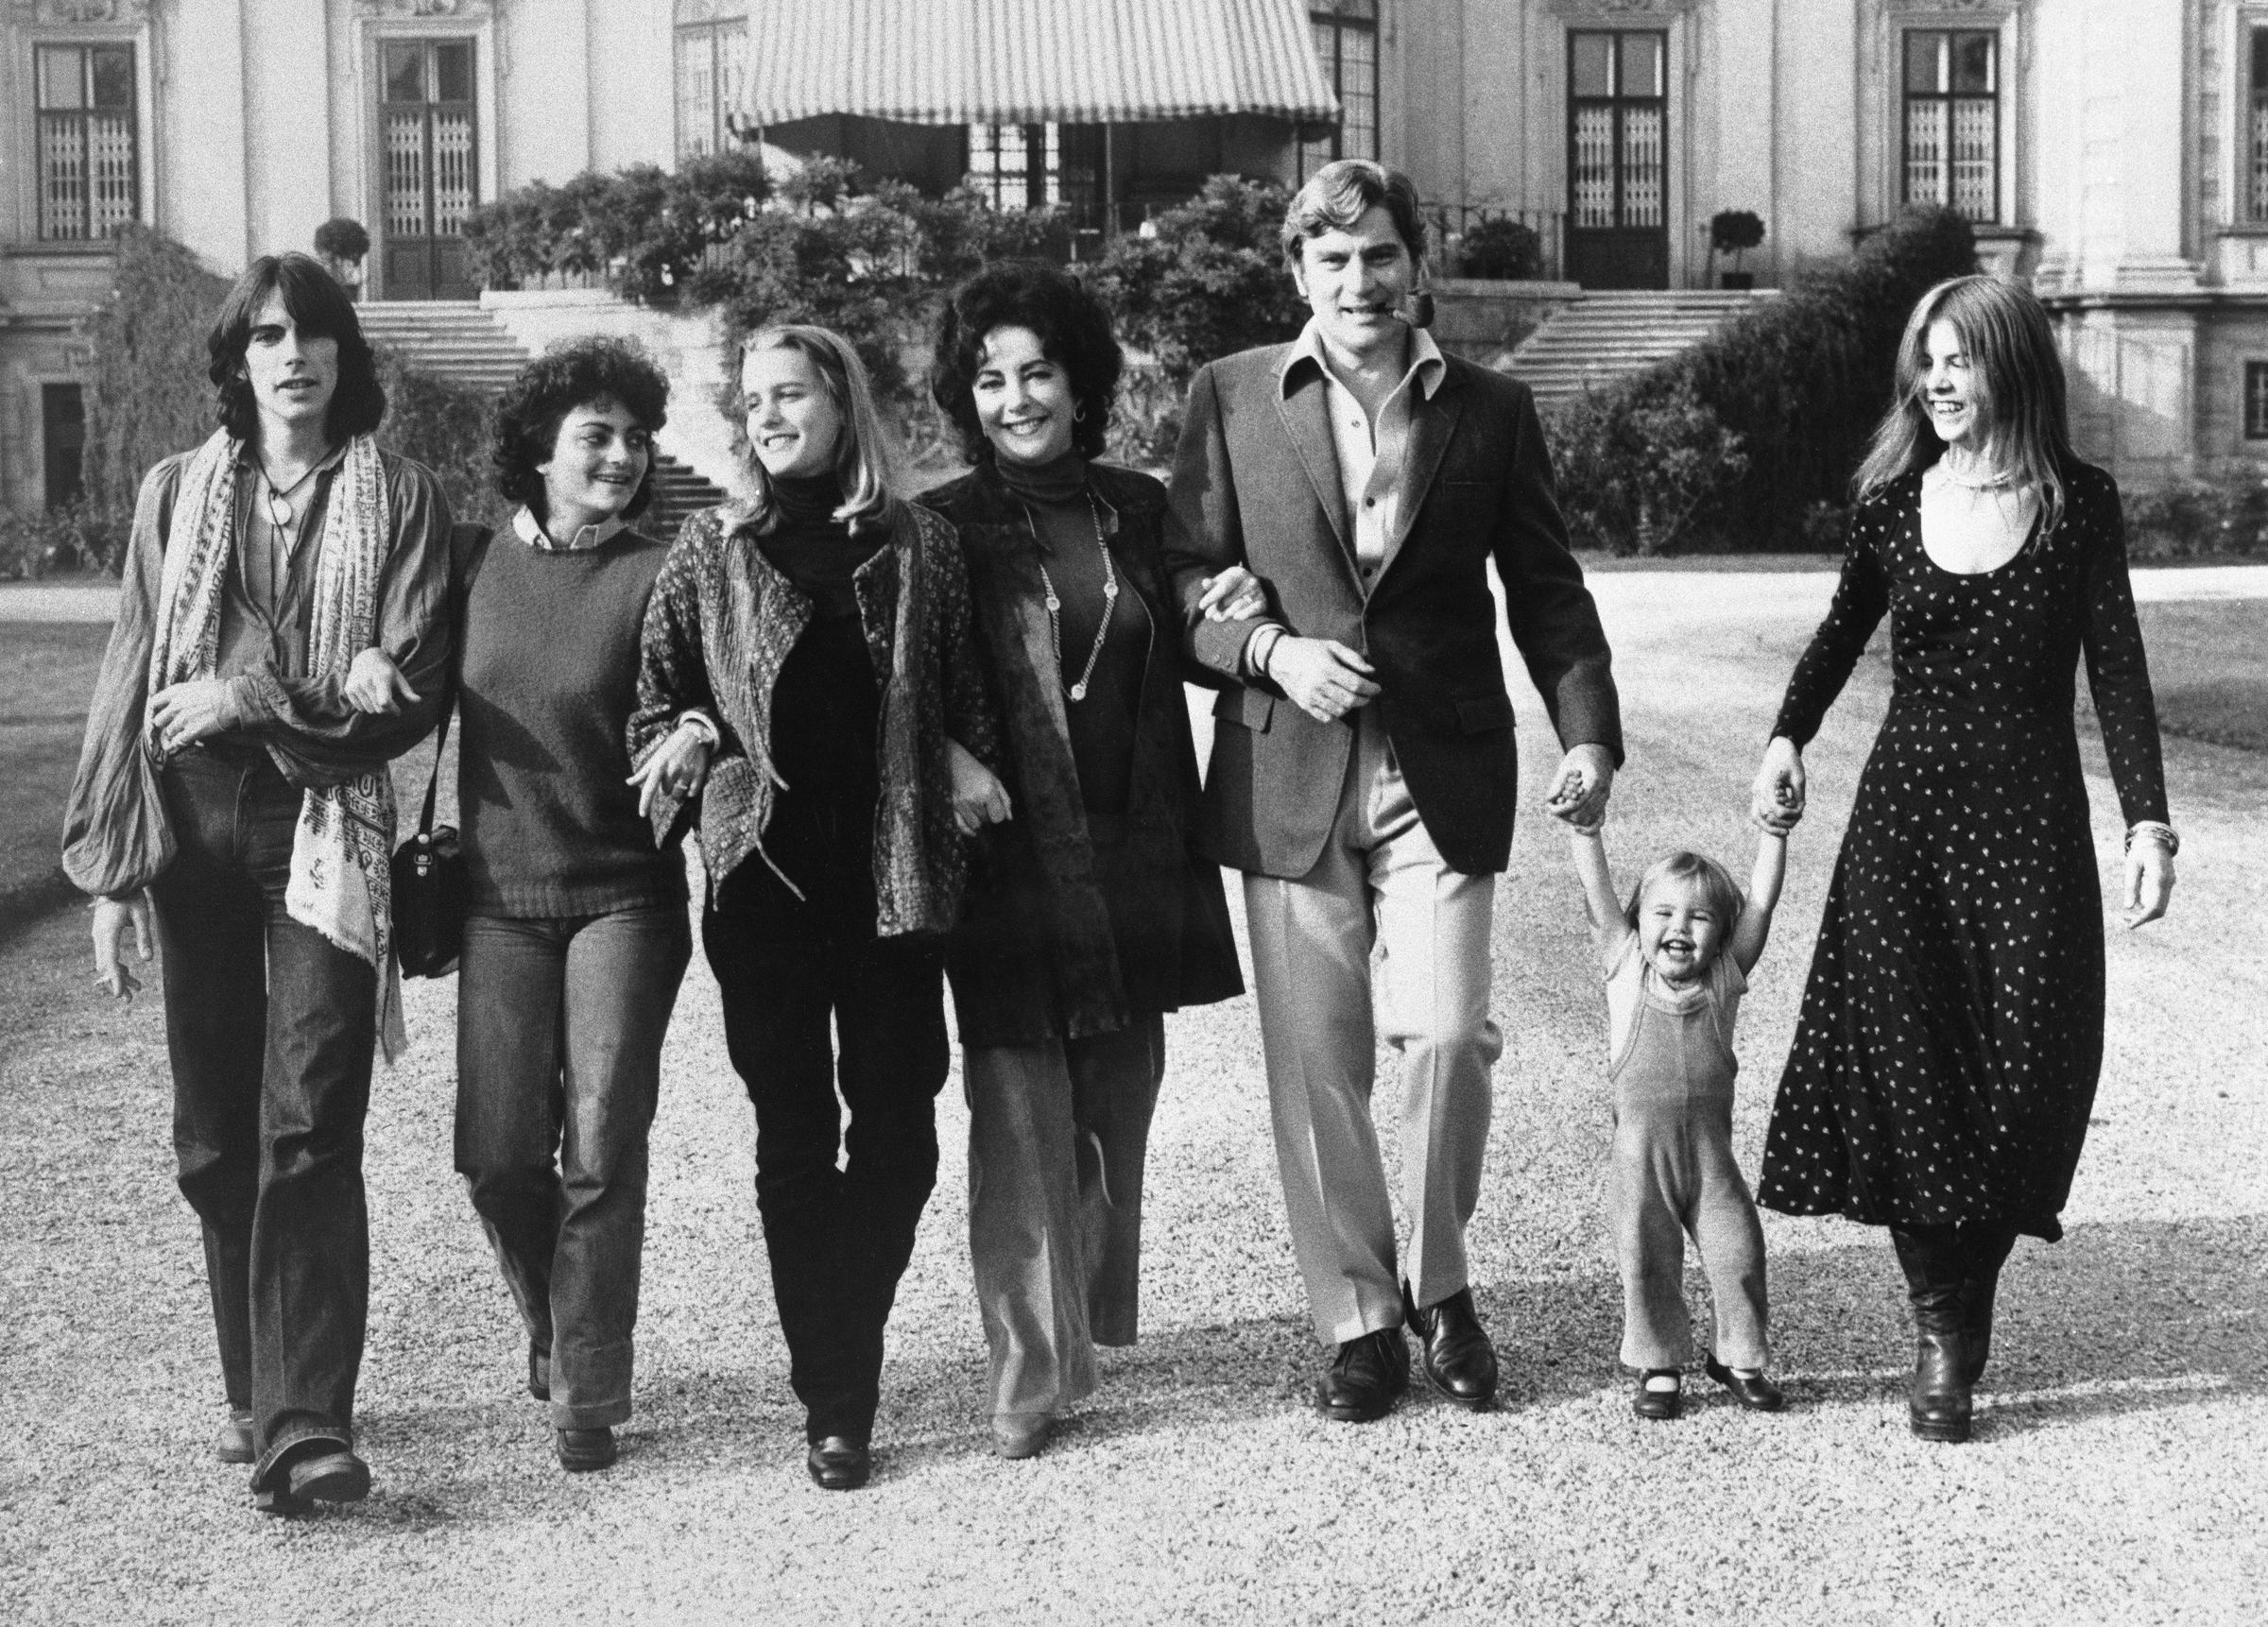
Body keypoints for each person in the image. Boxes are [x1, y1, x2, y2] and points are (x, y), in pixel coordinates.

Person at [1160, 159, 1623, 1422]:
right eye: (1332, 259)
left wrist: (1588, 731)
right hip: (1286, 767)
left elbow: (1546, 588)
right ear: (1296, 272)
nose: (1358, 281)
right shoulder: (1233, 397)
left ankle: (1445, 1282)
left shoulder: (1487, 409)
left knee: (1451, 1031)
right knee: (1319, 1060)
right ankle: (1358, 1315)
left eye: (1379, 256)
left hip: (1442, 767)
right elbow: (1185, 577)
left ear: (1415, 264)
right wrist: (1268, 650)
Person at [1750, 274, 2175, 1444]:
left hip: (2030, 829)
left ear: (2011, 369)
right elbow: (1839, 632)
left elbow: (2119, 670)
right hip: (1907, 831)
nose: (1936, 380)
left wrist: (2147, 822)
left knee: (2028, 1067)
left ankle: (1967, 1289)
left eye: (1959, 359)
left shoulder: (2079, 504)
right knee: (1913, 1068)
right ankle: (1944, 1326)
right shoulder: (1891, 504)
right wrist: (1786, 736)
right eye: (1924, 360)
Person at [61, 253, 453, 1513]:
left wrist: (256, 692)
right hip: (190, 819)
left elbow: (401, 698)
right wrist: (114, 870)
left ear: (346, 355)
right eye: (266, 336)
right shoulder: (176, 493)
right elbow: (132, 677)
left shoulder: (402, 498)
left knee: (310, 1115)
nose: (290, 354)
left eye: (313, 333)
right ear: (239, 361)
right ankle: (252, 1380)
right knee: (216, 1134)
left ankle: (306, 1426)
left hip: (327, 816)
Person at [627, 324, 1002, 1491]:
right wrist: (689, 730)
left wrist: (956, 756)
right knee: (793, 1140)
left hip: (894, 886)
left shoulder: (923, 545)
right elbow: (657, 705)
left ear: (842, 400)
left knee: (899, 1134)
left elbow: (966, 701)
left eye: (791, 394)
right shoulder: (710, 548)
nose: (768, 418)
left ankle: (841, 1331)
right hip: (766, 891)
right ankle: (837, 1397)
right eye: (753, 401)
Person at [922, 263, 1253, 1460]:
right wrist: (955, 760)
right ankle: (1029, 1363)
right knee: (1020, 1108)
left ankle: (1084, 1318)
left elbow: (1201, 632)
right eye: (992, 378)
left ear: (1080, 381)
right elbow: (907, 689)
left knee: (1121, 1099)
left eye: (1038, 372)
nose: (1017, 398)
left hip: (1135, 842)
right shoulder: (944, 526)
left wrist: (1240, 603)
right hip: (1010, 852)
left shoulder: (1138, 506)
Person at [451, 337, 689, 1473]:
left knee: (600, 1140)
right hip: (498, 898)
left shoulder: (663, 570)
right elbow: (393, 663)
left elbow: (714, 689)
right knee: (498, 1155)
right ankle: (552, 1315)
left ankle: (588, 1386)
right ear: (537, 452)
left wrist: (698, 728)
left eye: (637, 437)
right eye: (597, 436)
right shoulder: (469, 564)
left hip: (624, 896)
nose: (624, 457)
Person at [1564, 810, 1792, 1420]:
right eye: (1662, 912)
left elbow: (1762, 905)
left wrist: (1775, 834)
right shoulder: (1625, 970)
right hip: (1642, 1167)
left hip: (1711, 1165)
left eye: (1699, 916)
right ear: (1638, 922)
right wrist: (1585, 832)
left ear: (1721, 935)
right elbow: (1597, 897)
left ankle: (1738, 1357)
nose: (1679, 927)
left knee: (1739, 1254)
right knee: (1648, 1260)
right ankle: (1660, 1363)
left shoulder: (1724, 978)